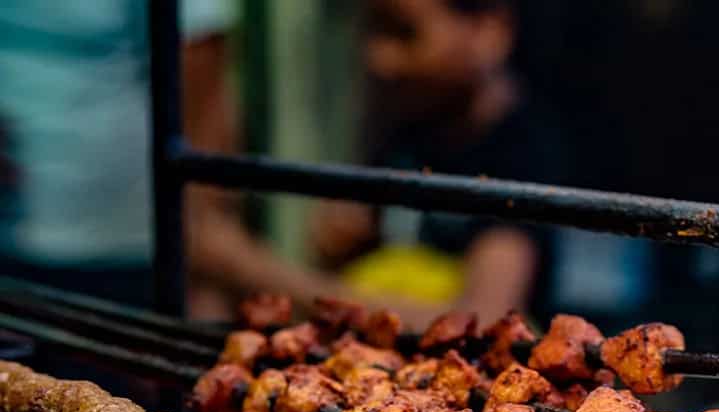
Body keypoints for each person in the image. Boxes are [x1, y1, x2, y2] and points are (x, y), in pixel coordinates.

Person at [0, 1, 378, 315]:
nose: (379, 60)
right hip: (14, 254)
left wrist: (203, 267)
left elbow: (204, 85)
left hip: (128, 258)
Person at [309, 0, 568, 329]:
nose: (379, 58)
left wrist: (257, 270)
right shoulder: (404, 130)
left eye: (404, 33)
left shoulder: (521, 152)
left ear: (489, 31)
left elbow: (485, 320)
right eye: (370, 31)